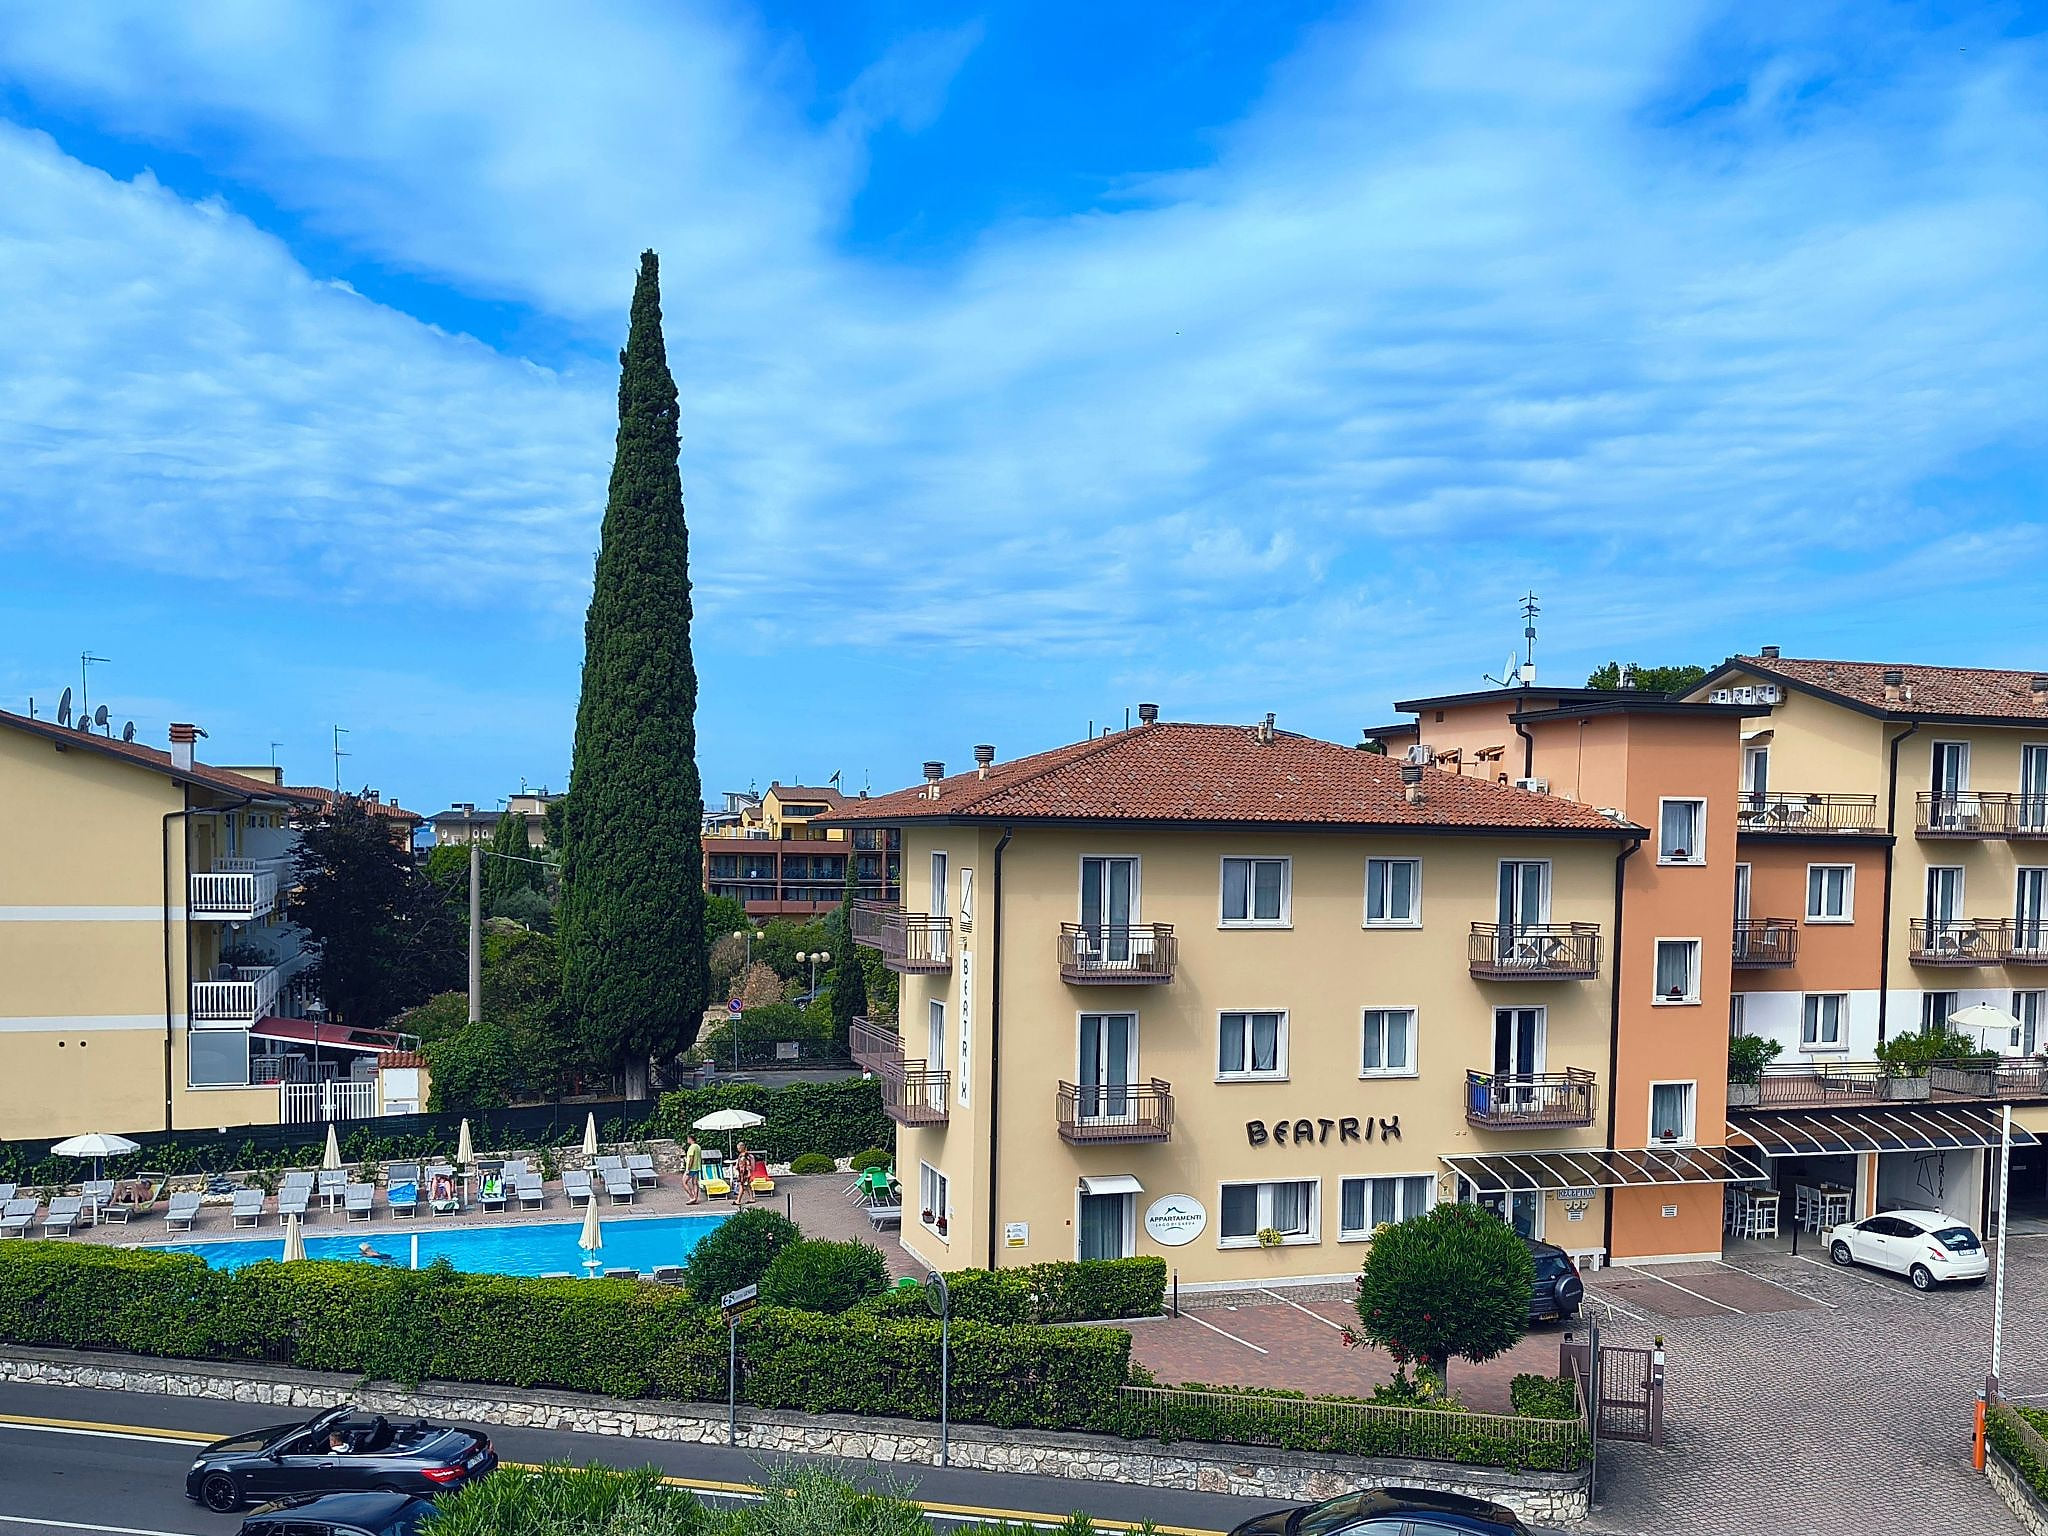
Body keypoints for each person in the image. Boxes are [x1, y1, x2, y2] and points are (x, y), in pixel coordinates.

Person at [683, 1136, 704, 1206]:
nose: (687, 1140)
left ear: (690, 1139)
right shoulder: (698, 1147)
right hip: (697, 1167)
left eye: (688, 1139)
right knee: (695, 1183)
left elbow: (691, 1158)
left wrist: (688, 1169)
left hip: (691, 1168)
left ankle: (692, 1197)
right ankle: (695, 1198)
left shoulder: (692, 1147)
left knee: (684, 1182)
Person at [732, 1142, 752, 1207]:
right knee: (747, 1186)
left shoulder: (745, 1155)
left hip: (744, 1173)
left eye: (739, 1148)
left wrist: (749, 1172)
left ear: (742, 1148)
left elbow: (748, 1164)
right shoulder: (742, 1154)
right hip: (742, 1172)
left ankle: (738, 1200)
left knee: (741, 1185)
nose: (738, 1149)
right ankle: (752, 1198)